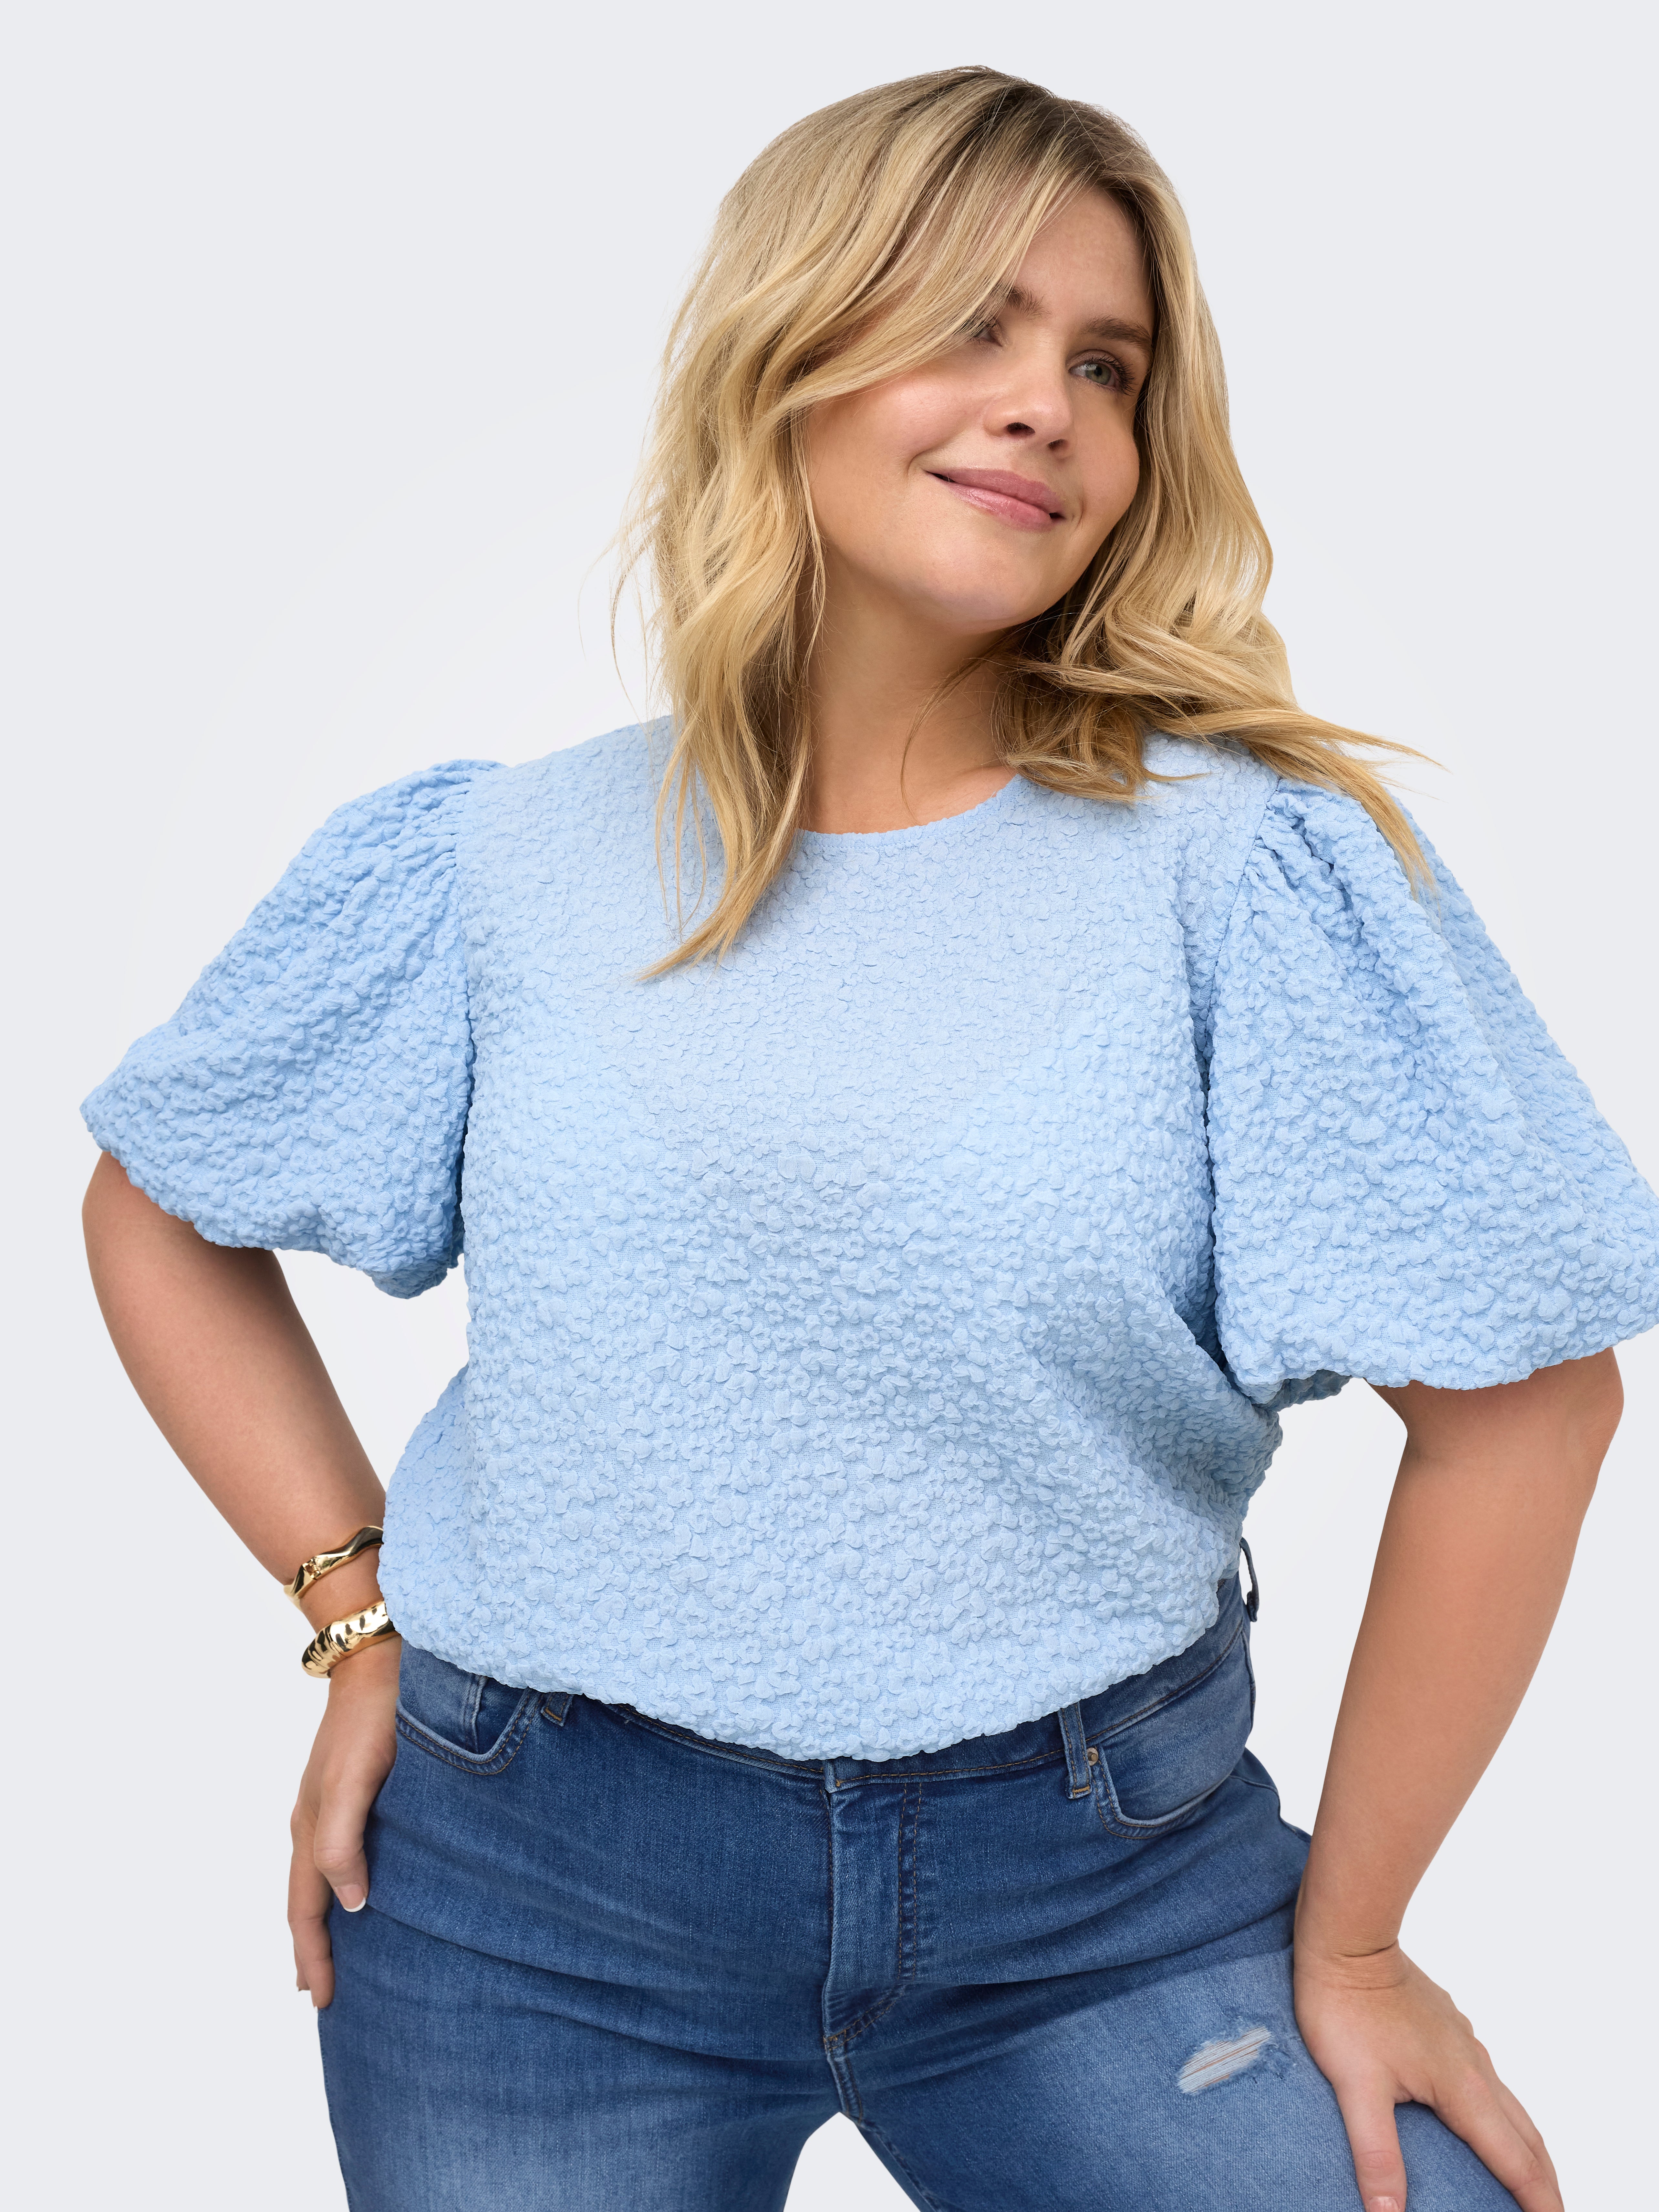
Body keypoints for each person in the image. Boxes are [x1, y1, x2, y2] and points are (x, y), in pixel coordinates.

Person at [80, 67, 1656, 2212]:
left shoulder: (1250, 877)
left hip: (1108, 1893)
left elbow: (1527, 1405)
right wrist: (351, 1616)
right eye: (974, 325)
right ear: (787, 350)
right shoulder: (501, 865)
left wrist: (1357, 1939)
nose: (1045, 406)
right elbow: (160, 1205)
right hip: (527, 1900)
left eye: (1105, 366)